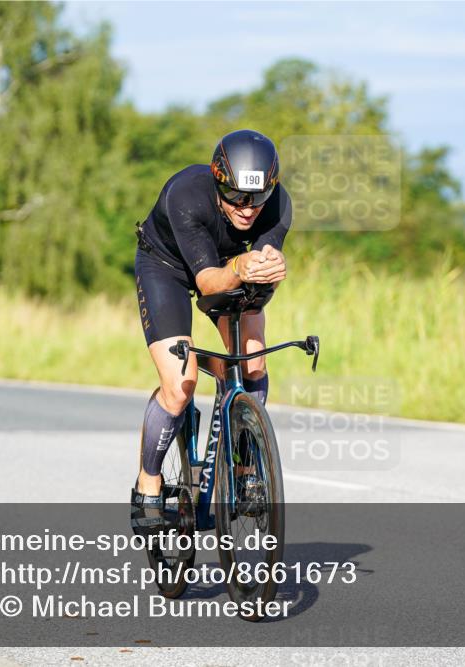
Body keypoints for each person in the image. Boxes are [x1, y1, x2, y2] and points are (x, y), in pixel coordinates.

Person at [130, 129, 291, 532]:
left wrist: (271, 268)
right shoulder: (184, 194)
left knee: (252, 359)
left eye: (256, 198)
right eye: (235, 196)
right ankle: (148, 482)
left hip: (231, 268)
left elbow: (261, 262)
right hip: (168, 268)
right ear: (217, 182)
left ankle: (245, 463)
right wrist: (240, 266)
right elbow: (207, 282)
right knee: (179, 383)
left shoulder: (278, 205)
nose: (247, 208)